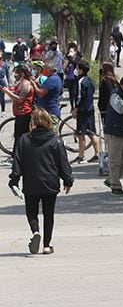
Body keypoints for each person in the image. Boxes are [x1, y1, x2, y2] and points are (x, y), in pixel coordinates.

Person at [10, 107, 74, 255]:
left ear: (32, 122)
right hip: (50, 182)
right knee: (48, 213)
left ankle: (35, 231)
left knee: (31, 212)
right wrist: (68, 180)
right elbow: (63, 163)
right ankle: (46, 245)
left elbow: (17, 162)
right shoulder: (56, 140)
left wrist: (14, 180)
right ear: (47, 121)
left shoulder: (24, 140)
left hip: (31, 182)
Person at [72, 60, 100, 164]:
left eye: (78, 68)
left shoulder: (81, 82)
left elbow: (79, 97)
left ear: (81, 70)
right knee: (91, 132)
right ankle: (97, 153)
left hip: (83, 111)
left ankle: (81, 155)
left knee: (81, 133)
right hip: (90, 109)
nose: (76, 70)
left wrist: (76, 109)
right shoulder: (90, 80)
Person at [3, 64, 35, 147]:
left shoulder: (25, 84)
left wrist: (8, 92)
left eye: (17, 73)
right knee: (18, 136)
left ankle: (20, 156)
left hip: (24, 112)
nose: (15, 75)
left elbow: (21, 99)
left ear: (22, 74)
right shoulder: (20, 83)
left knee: (20, 136)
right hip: (19, 112)